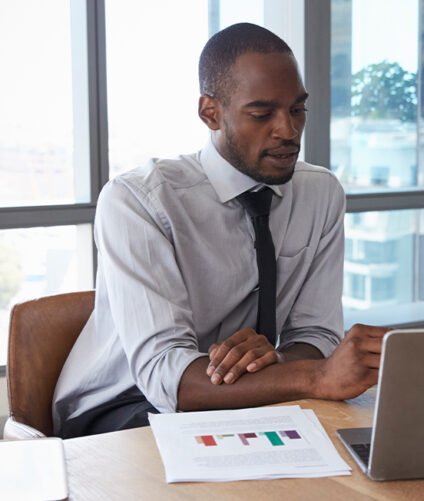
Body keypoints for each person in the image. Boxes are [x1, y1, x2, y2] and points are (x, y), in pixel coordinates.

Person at [52, 23, 386, 438]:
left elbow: (314, 334)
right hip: (123, 407)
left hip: (245, 399)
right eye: (262, 114)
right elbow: (165, 377)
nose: (288, 130)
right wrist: (314, 376)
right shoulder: (138, 201)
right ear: (210, 112)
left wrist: (278, 362)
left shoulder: (320, 194)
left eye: (298, 110)